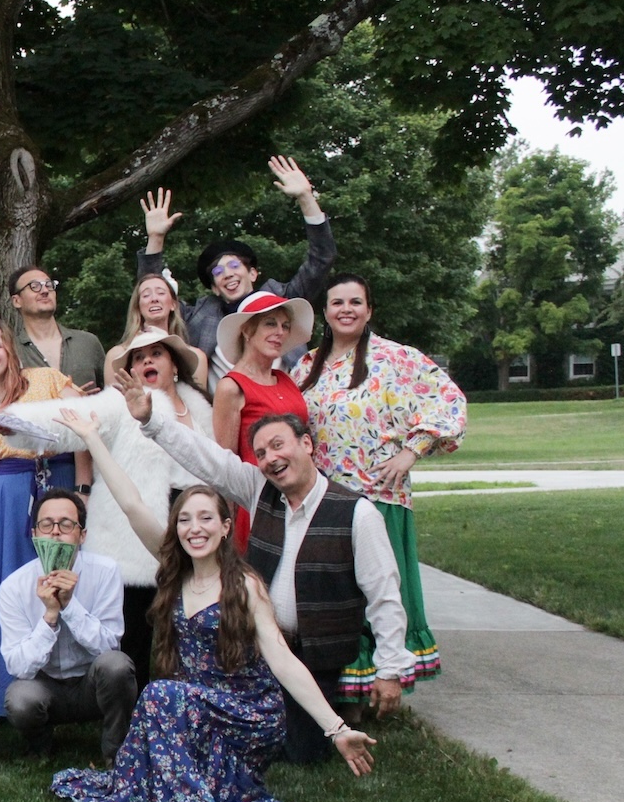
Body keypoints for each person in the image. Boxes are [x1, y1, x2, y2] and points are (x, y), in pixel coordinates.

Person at [49, 484, 377, 802]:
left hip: (248, 712)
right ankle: (179, 794)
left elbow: (283, 660)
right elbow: (132, 504)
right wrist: (96, 448)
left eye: (206, 518)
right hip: (197, 710)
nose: (195, 528)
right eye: (184, 520)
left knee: (160, 693)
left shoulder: (244, 584)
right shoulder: (176, 576)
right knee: (165, 696)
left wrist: (336, 728)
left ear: (225, 527)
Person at [123, 368, 414, 763]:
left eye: (278, 445)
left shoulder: (357, 515)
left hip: (316, 658)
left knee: (302, 754)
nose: (270, 459)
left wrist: (390, 670)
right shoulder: (260, 490)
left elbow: (385, 595)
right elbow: (208, 459)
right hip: (252, 652)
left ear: (307, 444)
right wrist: (151, 420)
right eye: (260, 453)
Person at [0, 330, 213, 686]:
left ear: (175, 365)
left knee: (190, 635)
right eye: (138, 357)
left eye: (156, 353)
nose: (146, 361)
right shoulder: (120, 404)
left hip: (194, 533)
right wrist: (16, 423)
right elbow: (72, 418)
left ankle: (188, 704)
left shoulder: (201, 408)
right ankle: (131, 713)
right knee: (135, 642)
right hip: (133, 539)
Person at [297, 273, 467, 703]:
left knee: (380, 590)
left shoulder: (397, 358)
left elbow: (449, 400)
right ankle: (345, 689)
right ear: (325, 312)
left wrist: (412, 451)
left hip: (379, 494)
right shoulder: (307, 366)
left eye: (355, 302)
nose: (346, 310)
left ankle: (384, 680)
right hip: (325, 501)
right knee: (340, 595)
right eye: (337, 302)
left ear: (369, 309)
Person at [0, 315, 88, 715]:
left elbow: (85, 427)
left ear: (10, 349)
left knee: (58, 580)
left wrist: (83, 489)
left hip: (57, 486)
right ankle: (7, 694)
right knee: (7, 588)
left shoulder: (45, 380)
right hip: (1, 496)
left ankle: (69, 690)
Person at [136, 157, 335, 383]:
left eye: (233, 265)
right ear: (215, 288)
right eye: (217, 272)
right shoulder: (202, 316)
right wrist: (155, 238)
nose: (228, 274)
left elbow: (322, 259)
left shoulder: (280, 298)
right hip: (225, 404)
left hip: (287, 399)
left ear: (253, 273)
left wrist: (306, 198)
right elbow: (153, 296)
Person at [0, 488, 139, 761]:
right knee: (20, 698)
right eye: (46, 524)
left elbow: (110, 645)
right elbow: (17, 666)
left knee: (117, 666)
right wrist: (50, 616)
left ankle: (116, 752)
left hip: (92, 683)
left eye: (65, 524)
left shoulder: (106, 571)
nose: (55, 532)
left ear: (82, 535)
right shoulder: (14, 586)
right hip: (46, 686)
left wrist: (70, 606)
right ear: (34, 534)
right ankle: (38, 747)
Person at [213, 291, 314, 551]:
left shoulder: (286, 379)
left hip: (302, 495)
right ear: (247, 330)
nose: (280, 332)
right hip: (260, 499)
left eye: (285, 326)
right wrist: (227, 529)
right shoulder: (232, 387)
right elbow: (226, 466)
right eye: (270, 323)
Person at [102, 262, 209, 392]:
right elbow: (112, 402)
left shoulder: (196, 357)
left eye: (161, 293)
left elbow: (199, 403)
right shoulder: (117, 356)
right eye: (146, 295)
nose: (154, 299)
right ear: (138, 307)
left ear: (173, 304)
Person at [7, 265, 107, 391]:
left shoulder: (88, 343)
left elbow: (112, 394)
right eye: (34, 286)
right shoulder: (10, 351)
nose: (45, 291)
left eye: (49, 285)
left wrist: (88, 401)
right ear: (17, 301)